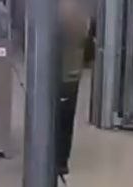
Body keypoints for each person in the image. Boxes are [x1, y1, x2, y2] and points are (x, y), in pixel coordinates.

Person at [57, 0, 92, 176]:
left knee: (57, 117)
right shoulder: (81, 11)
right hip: (71, 73)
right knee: (66, 119)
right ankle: (61, 160)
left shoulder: (66, 11)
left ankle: (56, 158)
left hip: (60, 73)